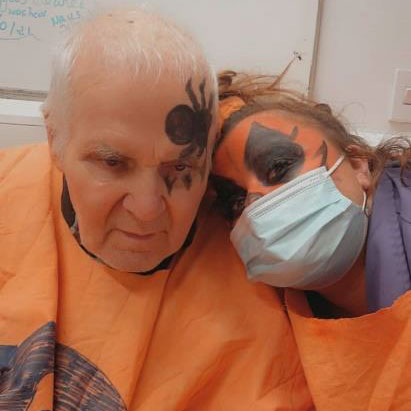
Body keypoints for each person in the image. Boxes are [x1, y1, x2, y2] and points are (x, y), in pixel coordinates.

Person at [0, 9, 314, 410]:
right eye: (113, 162)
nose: (147, 210)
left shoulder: (263, 268)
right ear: (54, 139)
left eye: (180, 167)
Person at [212, 70, 411, 408]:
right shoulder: (286, 316)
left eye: (278, 167)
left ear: (358, 165)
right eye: (236, 200)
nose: (254, 203)